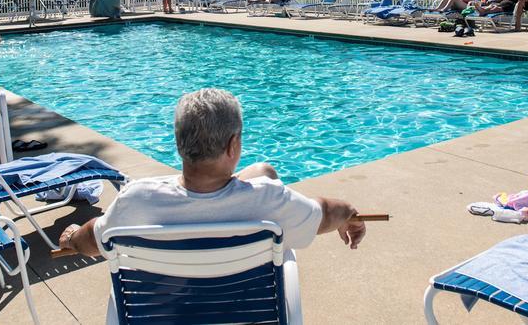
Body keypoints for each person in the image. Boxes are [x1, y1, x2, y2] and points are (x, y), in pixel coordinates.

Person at [58, 88, 366, 259]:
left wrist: (72, 237)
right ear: (233, 146)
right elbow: (326, 212)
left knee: (263, 171)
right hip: (247, 312)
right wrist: (350, 213)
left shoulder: (137, 200)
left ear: (178, 144)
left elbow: (91, 240)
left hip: (165, 314)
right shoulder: (269, 202)